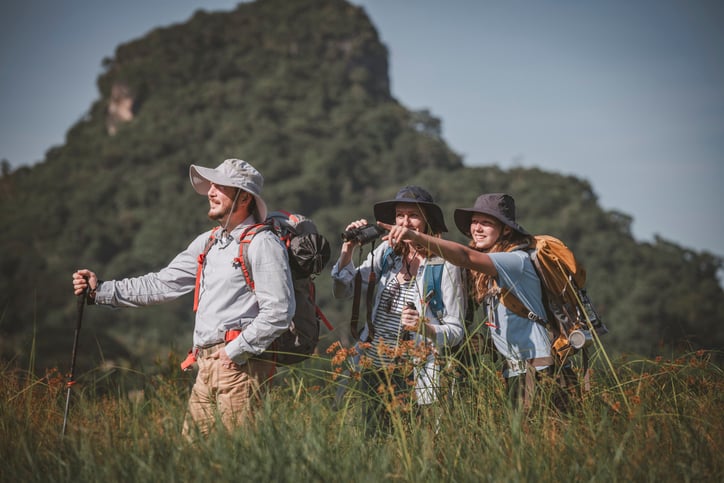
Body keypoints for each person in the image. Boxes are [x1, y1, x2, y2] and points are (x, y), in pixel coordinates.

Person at [71, 158, 295, 437]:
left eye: (220, 186)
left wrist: (233, 352)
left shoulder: (263, 243)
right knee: (191, 458)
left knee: (239, 459)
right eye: (211, 185)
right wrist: (100, 290)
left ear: (244, 198)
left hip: (242, 366)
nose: (210, 192)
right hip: (206, 365)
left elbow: (280, 311)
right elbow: (163, 284)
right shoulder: (209, 242)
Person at [381, 193, 554, 410]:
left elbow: (464, 256)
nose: (477, 228)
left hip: (536, 370)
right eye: (475, 222)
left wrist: (415, 237)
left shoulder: (514, 261)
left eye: (487, 223)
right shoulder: (493, 269)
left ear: (506, 230)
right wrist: (488, 345)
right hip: (517, 371)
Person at [331, 186, 465, 435]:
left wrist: (423, 327)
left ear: (427, 221)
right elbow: (344, 290)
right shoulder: (387, 253)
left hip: (417, 369)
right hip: (375, 365)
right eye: (400, 215)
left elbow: (456, 331)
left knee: (413, 440)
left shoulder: (444, 264)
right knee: (374, 437)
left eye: (413, 216)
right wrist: (348, 249)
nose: (405, 222)